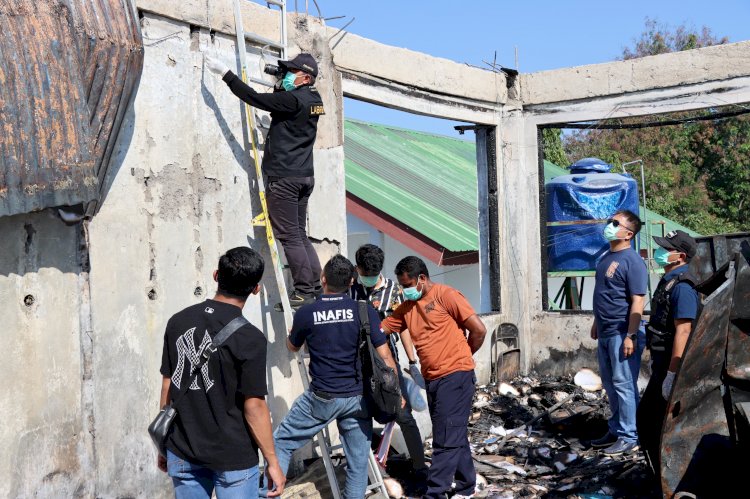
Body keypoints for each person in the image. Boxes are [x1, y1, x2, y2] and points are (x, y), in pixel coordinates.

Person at [263, 255, 400, 499]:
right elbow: (385, 356)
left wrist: (291, 335)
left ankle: (269, 493)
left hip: (322, 398)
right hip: (357, 399)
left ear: (323, 279)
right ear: (351, 282)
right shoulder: (363, 310)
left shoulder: (306, 313)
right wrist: (396, 391)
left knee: (281, 442)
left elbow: (293, 347)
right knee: (358, 464)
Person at [158, 247, 285, 498]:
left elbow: (168, 384)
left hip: (183, 449)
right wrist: (273, 461)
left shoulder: (178, 321)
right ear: (255, 289)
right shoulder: (251, 338)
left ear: (216, 275)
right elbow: (254, 406)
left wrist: (164, 445)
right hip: (233, 456)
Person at [206, 52, 324, 310]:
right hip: (304, 176)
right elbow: (289, 114)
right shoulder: (313, 98)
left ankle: (303, 291)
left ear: (305, 77)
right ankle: (314, 288)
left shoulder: (292, 99)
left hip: (285, 178)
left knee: (290, 236)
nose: (286, 76)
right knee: (300, 235)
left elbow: (255, 98)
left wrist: (226, 74)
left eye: (291, 73)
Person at [380, 256, 487, 499]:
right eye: (401, 285)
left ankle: (435, 493)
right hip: (433, 379)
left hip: (456, 376)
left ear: (422, 279)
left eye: (407, 284)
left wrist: (462, 355)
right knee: (452, 434)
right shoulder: (407, 308)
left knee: (444, 441)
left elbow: (479, 330)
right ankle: (467, 486)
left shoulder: (446, 296)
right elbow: (382, 329)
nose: (405, 290)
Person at [349, 244, 428, 490]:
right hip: (357, 365)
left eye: (373, 274)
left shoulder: (394, 292)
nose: (369, 279)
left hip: (386, 364)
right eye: (365, 273)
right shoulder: (350, 289)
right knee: (360, 416)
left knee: (403, 414)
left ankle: (419, 468)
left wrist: (412, 361)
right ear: (357, 268)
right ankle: (363, 472)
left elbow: (403, 327)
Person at [636, 230, 700, 478]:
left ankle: (665, 478)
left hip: (670, 368)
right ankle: (658, 475)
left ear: (680, 255)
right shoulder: (669, 280)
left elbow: (683, 331)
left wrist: (672, 374)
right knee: (650, 421)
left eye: (665, 248)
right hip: (661, 363)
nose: (659, 252)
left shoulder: (683, 287)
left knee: (650, 419)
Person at [590, 210, 648, 456]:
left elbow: (638, 301)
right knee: (611, 385)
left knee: (624, 385)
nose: (609, 226)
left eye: (615, 223)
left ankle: (630, 435)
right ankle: (616, 429)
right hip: (605, 331)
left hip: (622, 332)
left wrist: (631, 335)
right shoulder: (605, 257)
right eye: (610, 222)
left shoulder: (632, 261)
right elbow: (604, 294)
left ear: (628, 234)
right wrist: (596, 322)